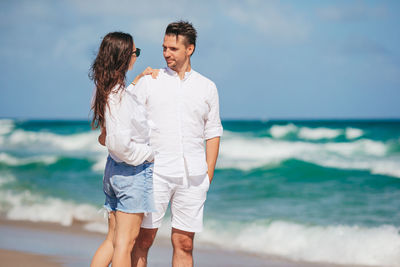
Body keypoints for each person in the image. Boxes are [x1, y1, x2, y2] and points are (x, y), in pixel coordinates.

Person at [130, 21, 223, 267]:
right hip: (155, 172)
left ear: (189, 49)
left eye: (173, 48)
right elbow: (124, 112)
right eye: (164, 48)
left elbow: (213, 132)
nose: (166, 53)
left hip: (193, 176)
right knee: (144, 238)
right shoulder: (151, 80)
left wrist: (208, 173)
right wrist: (137, 78)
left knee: (185, 243)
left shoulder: (207, 87)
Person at [89, 31, 158, 267]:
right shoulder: (118, 97)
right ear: (122, 57)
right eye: (135, 53)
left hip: (115, 171)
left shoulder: (105, 89)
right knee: (125, 244)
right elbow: (119, 145)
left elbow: (110, 132)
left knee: (113, 240)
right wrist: (150, 153)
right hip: (131, 172)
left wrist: (137, 80)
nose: (136, 56)